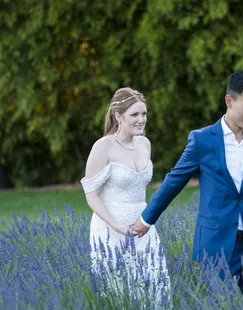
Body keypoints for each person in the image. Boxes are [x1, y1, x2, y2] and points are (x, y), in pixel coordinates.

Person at [133, 70, 243, 296]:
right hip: (216, 247)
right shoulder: (202, 140)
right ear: (229, 101)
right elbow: (174, 181)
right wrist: (146, 218)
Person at [80, 87, 170, 306]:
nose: (141, 120)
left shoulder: (144, 143)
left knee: (155, 285)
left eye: (144, 114)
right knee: (119, 291)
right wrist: (117, 225)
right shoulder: (103, 146)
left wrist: (145, 219)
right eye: (135, 115)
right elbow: (92, 195)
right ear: (118, 116)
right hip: (111, 229)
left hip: (143, 225)